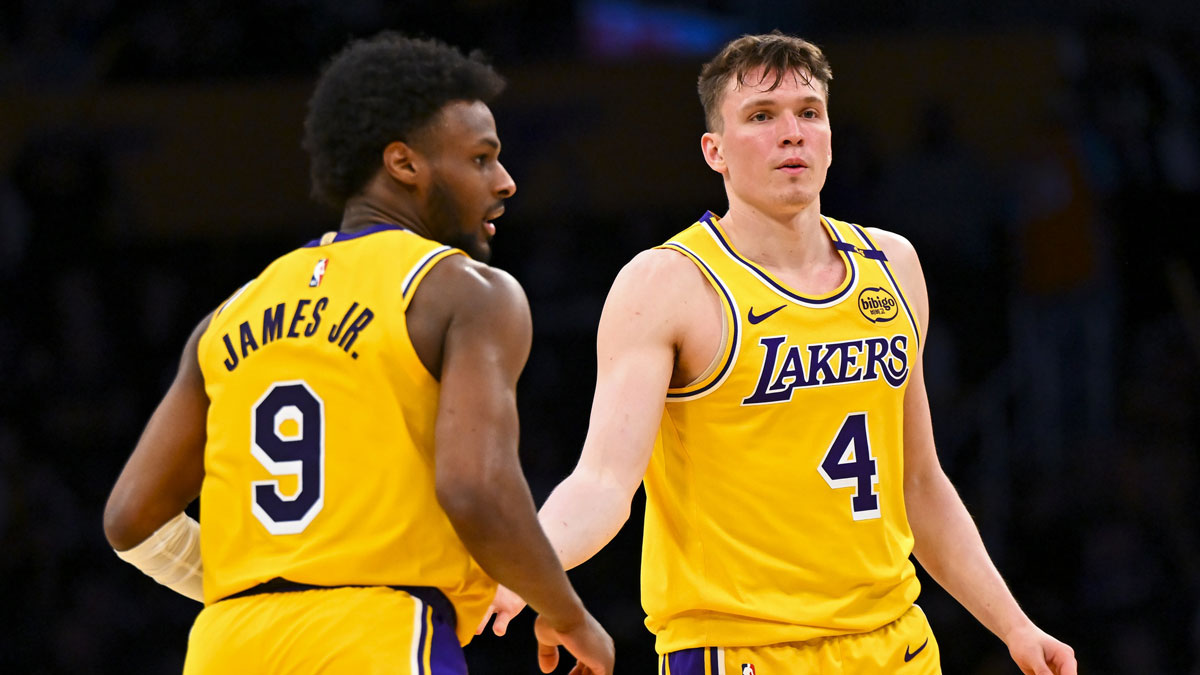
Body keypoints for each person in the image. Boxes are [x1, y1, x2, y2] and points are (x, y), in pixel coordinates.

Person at [479, 32, 1077, 674]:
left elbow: (920, 481)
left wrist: (1013, 626)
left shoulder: (893, 265)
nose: (791, 133)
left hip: (896, 642)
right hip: (742, 651)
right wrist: (528, 564)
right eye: (761, 116)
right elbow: (601, 482)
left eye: (808, 113)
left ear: (828, 134)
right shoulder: (668, 284)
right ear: (715, 152)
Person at [103, 32, 614, 675]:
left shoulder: (227, 316)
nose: (505, 181)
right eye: (482, 159)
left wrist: (266, 583)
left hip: (226, 646)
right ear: (404, 164)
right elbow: (474, 486)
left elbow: (130, 521)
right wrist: (567, 614)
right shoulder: (463, 290)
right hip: (376, 636)